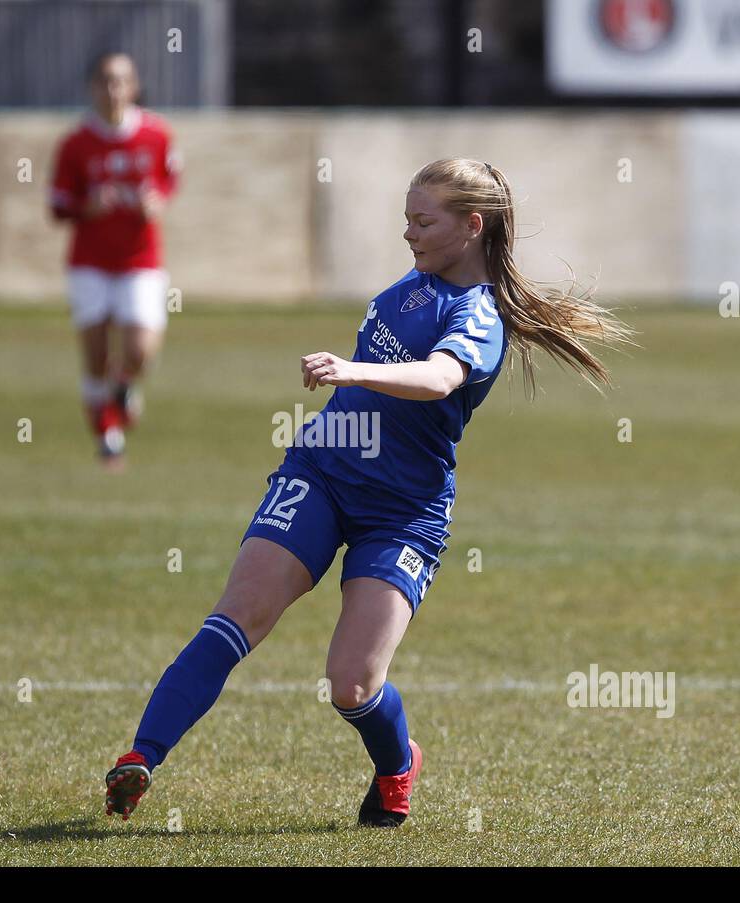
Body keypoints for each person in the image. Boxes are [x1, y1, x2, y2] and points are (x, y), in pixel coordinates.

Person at [103, 158, 633, 826]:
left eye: (422, 220)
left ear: (471, 226)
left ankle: (396, 766)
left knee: (351, 684)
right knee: (237, 616)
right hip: (321, 473)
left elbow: (440, 379)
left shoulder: (479, 317)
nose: (407, 233)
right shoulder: (416, 282)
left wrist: (351, 368)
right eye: (405, 218)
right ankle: (140, 758)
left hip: (404, 514)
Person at [49, 52, 180, 468]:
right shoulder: (75, 143)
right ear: (92, 87)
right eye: (105, 81)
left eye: (121, 81)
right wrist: (89, 207)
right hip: (90, 261)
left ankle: (124, 388)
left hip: (140, 259)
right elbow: (58, 205)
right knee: (95, 353)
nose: (113, 90)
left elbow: (168, 180)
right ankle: (108, 436)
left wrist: (155, 202)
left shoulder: (156, 135)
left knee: (140, 350)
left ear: (134, 86)